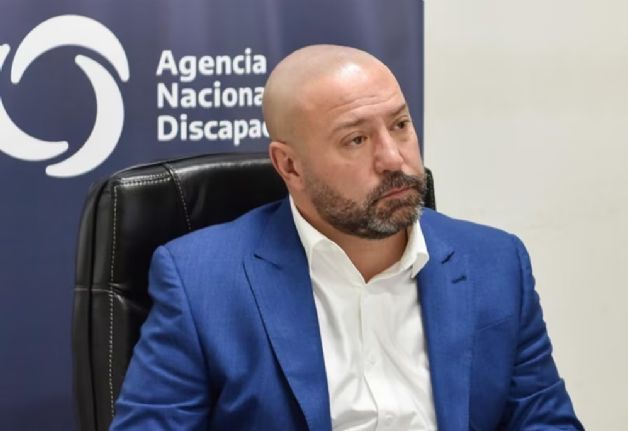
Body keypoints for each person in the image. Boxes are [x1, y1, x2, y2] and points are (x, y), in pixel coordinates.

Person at [111, 45, 584, 431]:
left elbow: (546, 422)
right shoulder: (202, 282)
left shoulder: (496, 263)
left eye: (400, 125)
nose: (394, 158)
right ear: (290, 166)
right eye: (356, 140)